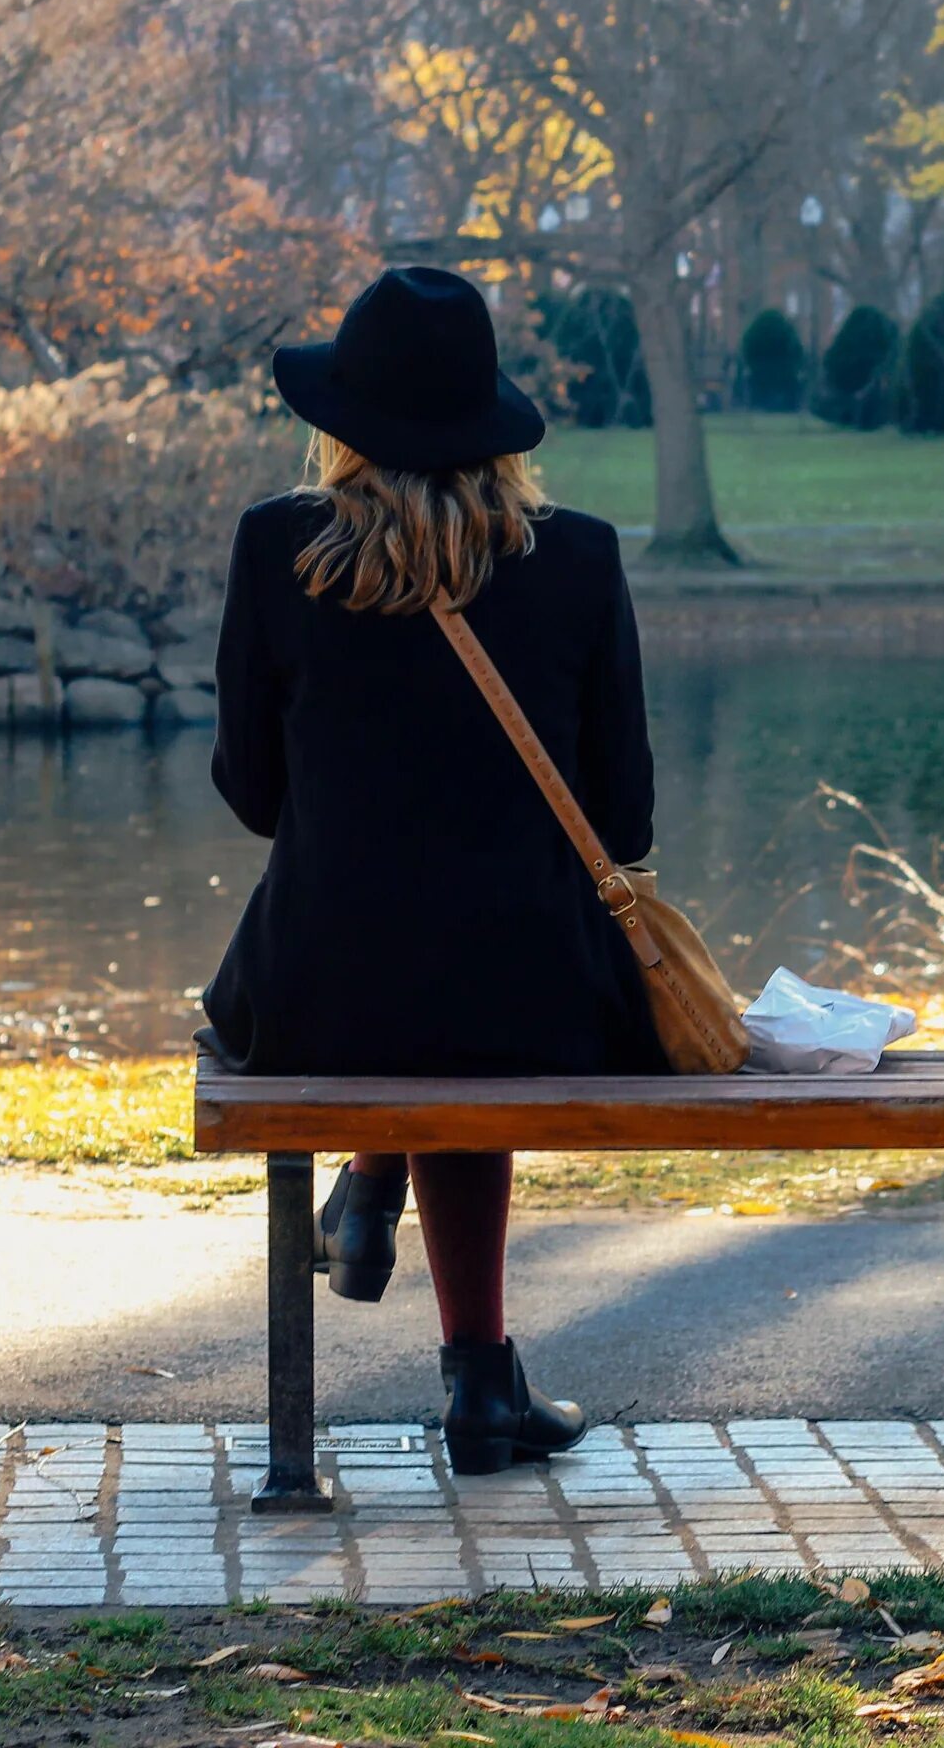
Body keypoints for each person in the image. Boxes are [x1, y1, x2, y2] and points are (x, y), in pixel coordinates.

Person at [200, 265, 664, 1476]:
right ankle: (478, 1386)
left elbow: (252, 795)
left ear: (340, 420)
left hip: (317, 989)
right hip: (539, 997)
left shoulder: (275, 548)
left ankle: (371, 1184)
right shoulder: (579, 557)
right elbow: (623, 819)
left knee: (414, 986)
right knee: (472, 995)